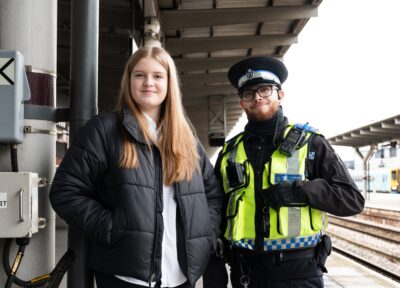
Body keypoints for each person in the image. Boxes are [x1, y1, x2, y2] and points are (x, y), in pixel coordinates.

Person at [49, 46, 223, 288]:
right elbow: (65, 191)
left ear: (169, 83)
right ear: (128, 80)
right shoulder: (105, 130)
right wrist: (113, 228)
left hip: (181, 276)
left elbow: (212, 194)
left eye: (157, 76)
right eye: (139, 75)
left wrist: (204, 234)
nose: (148, 82)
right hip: (124, 277)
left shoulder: (187, 140)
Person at [203, 56, 365, 288]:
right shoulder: (229, 152)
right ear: (241, 103)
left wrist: (300, 192)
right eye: (248, 93)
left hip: (299, 274)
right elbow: (215, 208)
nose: (257, 97)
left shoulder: (311, 143)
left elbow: (352, 199)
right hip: (244, 273)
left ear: (280, 94)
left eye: (265, 90)